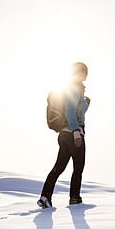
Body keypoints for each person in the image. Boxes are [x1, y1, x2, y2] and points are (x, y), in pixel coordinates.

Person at [39, 62, 90, 208]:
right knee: (78, 167)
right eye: (83, 71)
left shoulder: (74, 89)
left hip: (64, 134)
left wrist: (86, 104)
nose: (86, 74)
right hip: (73, 133)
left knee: (59, 167)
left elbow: (76, 111)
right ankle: (74, 198)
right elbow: (70, 111)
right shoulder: (74, 89)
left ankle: (45, 196)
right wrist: (76, 132)